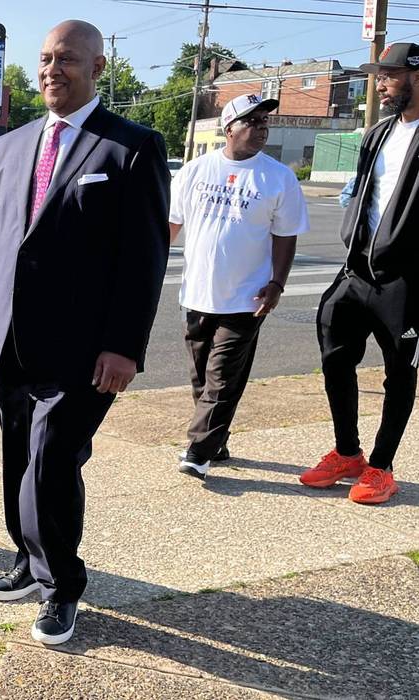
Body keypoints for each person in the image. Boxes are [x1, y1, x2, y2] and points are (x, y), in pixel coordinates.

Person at [0, 20, 168, 646]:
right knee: (18, 458)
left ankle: (61, 586)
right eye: (44, 59)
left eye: (66, 59)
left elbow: (143, 259)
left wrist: (125, 345)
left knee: (50, 462)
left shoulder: (130, 148)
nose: (51, 69)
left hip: (85, 351)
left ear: (98, 67)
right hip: (11, 341)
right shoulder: (11, 148)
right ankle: (26, 555)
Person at [299, 42, 419, 505]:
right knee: (334, 350)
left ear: (415, 76)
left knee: (400, 372)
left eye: (389, 74)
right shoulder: (377, 134)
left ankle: (382, 466)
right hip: (358, 268)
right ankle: (348, 452)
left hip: (406, 280)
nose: (381, 82)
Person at [170, 94, 309, 480]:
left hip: (246, 297)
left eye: (266, 122)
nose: (262, 129)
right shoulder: (195, 171)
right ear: (229, 128)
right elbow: (170, 226)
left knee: (223, 376)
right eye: (253, 122)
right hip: (197, 293)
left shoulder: (278, 177)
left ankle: (198, 451)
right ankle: (218, 438)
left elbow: (285, 236)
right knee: (202, 376)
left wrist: (277, 283)